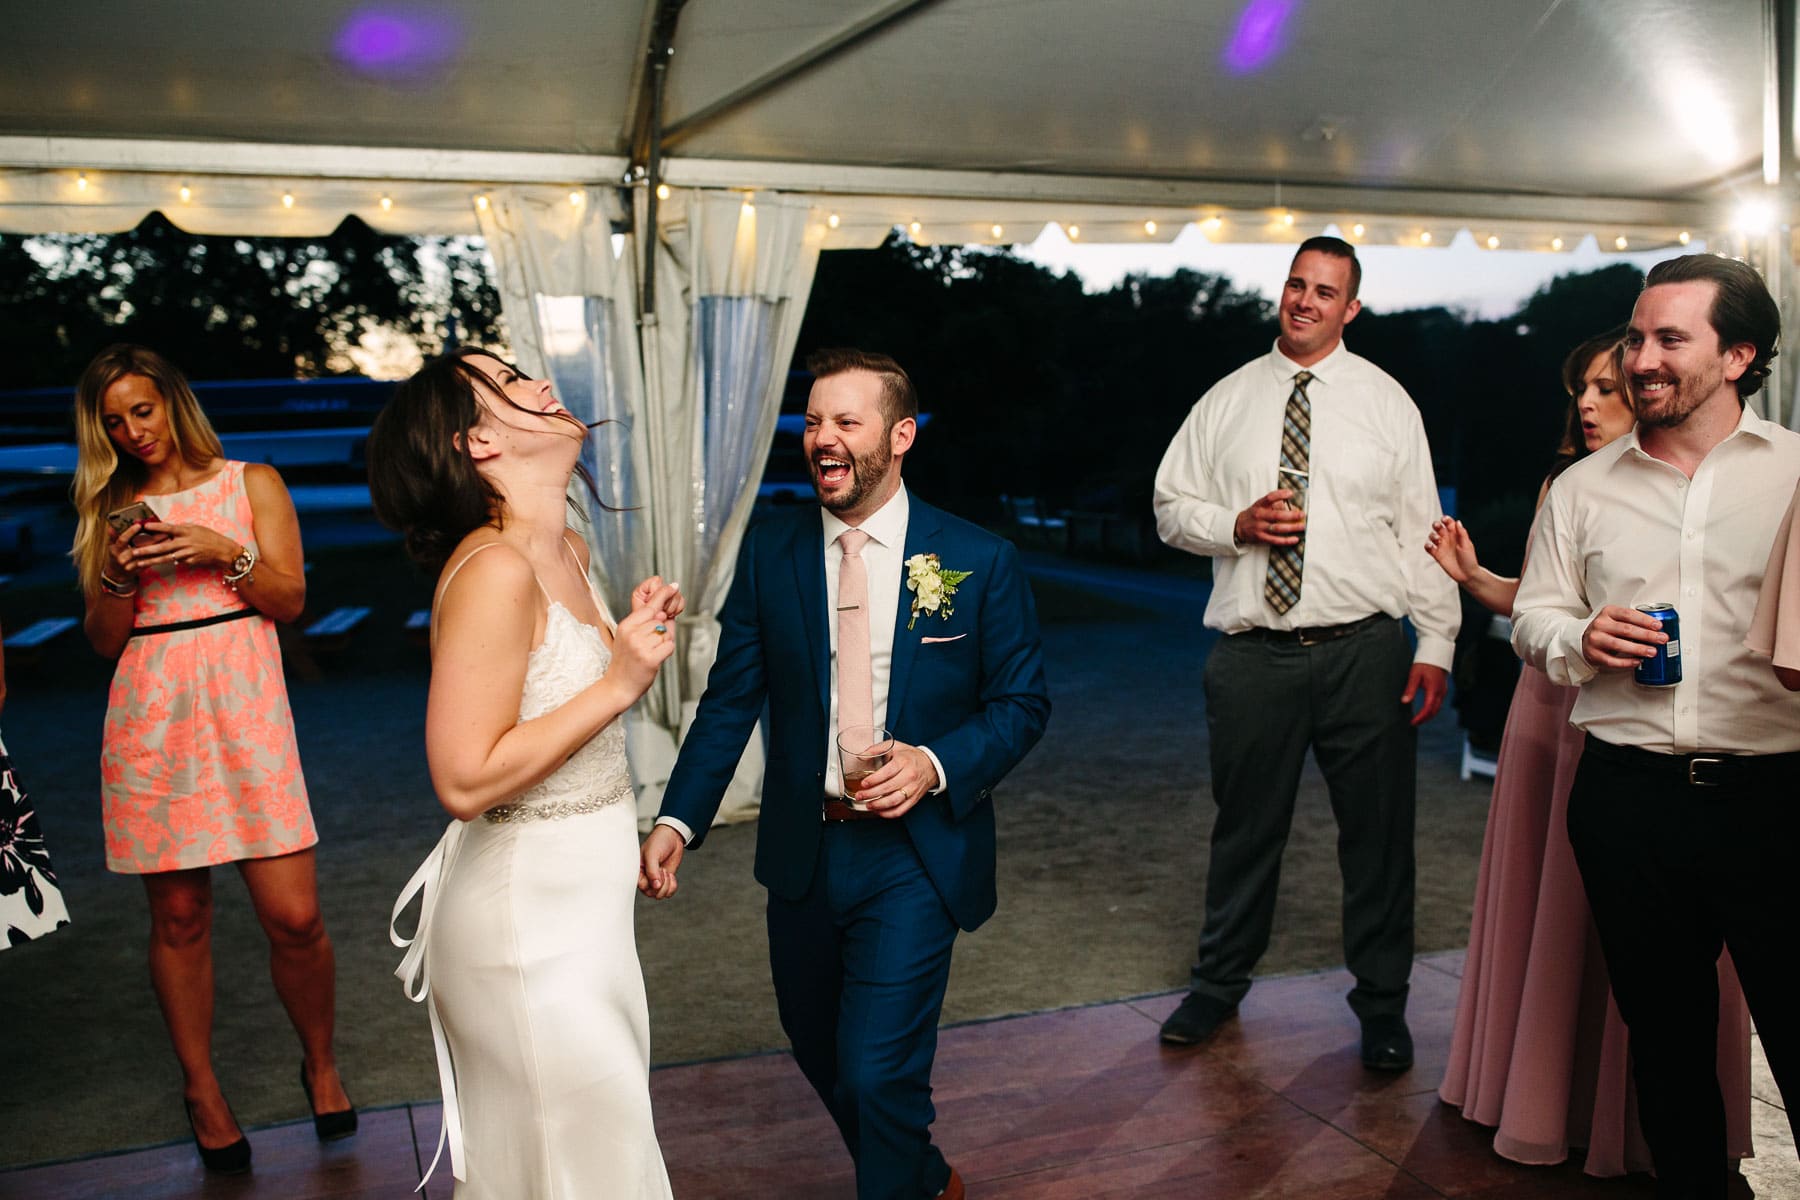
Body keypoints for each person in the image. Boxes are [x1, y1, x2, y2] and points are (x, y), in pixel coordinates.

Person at [639, 348, 1050, 1200]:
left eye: (846, 421)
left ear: (900, 435)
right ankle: (926, 1176)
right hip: (806, 851)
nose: (822, 438)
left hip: (917, 852)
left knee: (876, 1074)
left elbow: (1021, 703)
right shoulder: (772, 555)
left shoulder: (977, 559)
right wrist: (677, 821)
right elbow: (729, 703)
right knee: (818, 1046)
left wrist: (935, 764)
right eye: (813, 420)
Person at [1513, 253, 1800, 1199]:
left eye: (1671, 339)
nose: (1642, 359)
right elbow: (1534, 619)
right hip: (1628, 799)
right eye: (1637, 337)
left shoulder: (1798, 475)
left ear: (1741, 354)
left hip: (1777, 798)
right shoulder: (1584, 488)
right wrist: (1581, 635)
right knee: (1667, 1046)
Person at [1431, 332, 1753, 1176]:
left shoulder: (1727, 480)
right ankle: (1556, 1102)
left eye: (1605, 387)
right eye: (1581, 387)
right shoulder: (1567, 484)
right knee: (1563, 917)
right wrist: (1477, 580)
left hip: (1676, 730)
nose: (1588, 402)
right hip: (1562, 709)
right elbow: (1542, 607)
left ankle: (1649, 1130)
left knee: (1661, 947)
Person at [372, 348, 679, 1198]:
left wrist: (624, 647)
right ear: (475, 443)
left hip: (587, 905)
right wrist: (620, 681)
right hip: (524, 929)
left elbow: (559, 713)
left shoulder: (566, 549)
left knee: (592, 1154)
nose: (540, 383)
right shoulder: (495, 570)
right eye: (509, 384)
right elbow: (464, 778)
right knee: (580, 1167)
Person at [1151, 235, 1458, 1070]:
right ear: (1281, 292)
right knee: (1245, 832)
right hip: (1253, 657)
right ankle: (1217, 988)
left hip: (1365, 649)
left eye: (1327, 291)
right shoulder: (1226, 400)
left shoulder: (1387, 402)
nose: (1306, 301)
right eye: (1296, 284)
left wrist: (1434, 641)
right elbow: (1169, 505)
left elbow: (1419, 531)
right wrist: (1235, 526)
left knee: (1379, 837)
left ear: (1350, 308)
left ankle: (1384, 1007)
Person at [69, 344, 352, 1174]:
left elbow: (290, 599)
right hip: (151, 716)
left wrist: (214, 550)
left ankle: (321, 1064)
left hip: (247, 706)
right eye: (113, 421)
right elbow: (102, 642)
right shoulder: (108, 505)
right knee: (181, 918)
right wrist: (118, 579)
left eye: (142, 411)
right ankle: (203, 1090)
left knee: (295, 917)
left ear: (173, 402)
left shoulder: (251, 481)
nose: (131, 432)